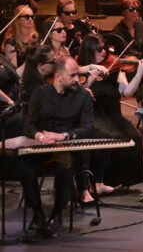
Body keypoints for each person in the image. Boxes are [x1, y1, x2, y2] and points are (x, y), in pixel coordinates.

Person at [14, 55, 94, 242]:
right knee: (24, 165)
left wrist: (63, 136)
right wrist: (40, 136)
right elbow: (28, 125)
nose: (77, 79)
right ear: (58, 76)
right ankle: (38, 214)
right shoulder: (40, 93)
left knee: (64, 167)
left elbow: (88, 128)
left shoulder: (83, 96)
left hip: (68, 149)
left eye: (78, 74)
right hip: (43, 146)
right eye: (72, 75)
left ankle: (57, 215)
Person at [76, 34, 143, 197]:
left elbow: (127, 91)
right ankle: (101, 181)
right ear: (88, 51)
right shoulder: (80, 70)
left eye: (105, 48)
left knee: (134, 137)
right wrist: (91, 78)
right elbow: (78, 97)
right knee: (109, 137)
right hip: (94, 115)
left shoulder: (115, 69)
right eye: (99, 49)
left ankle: (121, 180)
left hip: (114, 114)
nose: (104, 52)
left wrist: (140, 72)